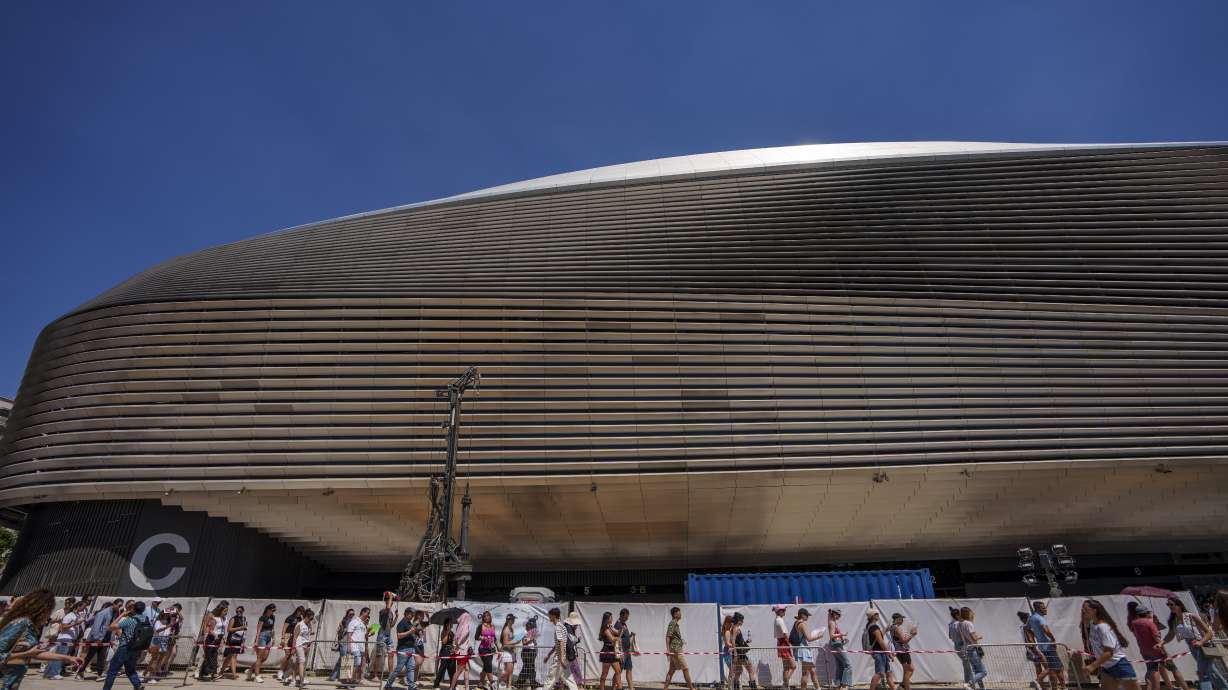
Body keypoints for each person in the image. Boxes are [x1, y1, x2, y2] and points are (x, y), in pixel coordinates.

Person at [1, 590, 86, 690]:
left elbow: (35, 653)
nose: (49, 615)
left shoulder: (30, 627)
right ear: (41, 609)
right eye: (49, 610)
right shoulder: (21, 623)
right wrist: (26, 654)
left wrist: (68, 658)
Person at [1165, 596, 1227, 690]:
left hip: (1202, 645)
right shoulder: (1175, 620)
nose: (1169, 606)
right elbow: (1171, 634)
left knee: (1203, 672)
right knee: (1211, 671)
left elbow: (1209, 632)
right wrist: (1161, 643)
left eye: (1171, 604)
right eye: (1168, 604)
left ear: (1179, 605)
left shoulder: (1191, 616)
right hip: (1193, 647)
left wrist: (1201, 642)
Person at [1082, 599, 1139, 690]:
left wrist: (1093, 666)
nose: (1083, 611)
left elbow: (1109, 653)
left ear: (1094, 610)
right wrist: (1085, 622)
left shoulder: (1103, 627)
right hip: (1107, 667)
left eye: (1085, 609)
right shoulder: (1093, 625)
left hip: (1119, 665)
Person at [103, 601, 150, 690]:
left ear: (134, 609)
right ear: (143, 610)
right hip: (136, 648)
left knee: (112, 670)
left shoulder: (130, 620)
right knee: (130, 670)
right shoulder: (146, 619)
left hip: (125, 647)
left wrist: (123, 614)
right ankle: (138, 686)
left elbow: (111, 627)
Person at [1028, 601, 1067, 690]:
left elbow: (1026, 628)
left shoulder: (1032, 618)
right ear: (1037, 609)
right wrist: (1053, 639)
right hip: (1048, 646)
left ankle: (1062, 687)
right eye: (1043, 608)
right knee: (1055, 668)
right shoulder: (1040, 618)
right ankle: (1039, 680)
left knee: (1057, 667)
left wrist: (1032, 640)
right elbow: (1045, 629)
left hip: (1042, 646)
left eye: (1045, 607)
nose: (1046, 609)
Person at [80, 599, 123, 679]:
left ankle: (100, 674)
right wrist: (97, 638)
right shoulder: (104, 612)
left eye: (121, 606)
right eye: (119, 605)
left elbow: (112, 627)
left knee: (102, 657)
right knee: (89, 656)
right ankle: (80, 672)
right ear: (114, 604)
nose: (119, 607)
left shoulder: (115, 613)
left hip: (106, 638)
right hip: (98, 638)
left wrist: (111, 639)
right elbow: (96, 625)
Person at [44, 598, 86, 679]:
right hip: (65, 639)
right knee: (60, 656)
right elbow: (63, 627)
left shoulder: (76, 615)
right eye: (83, 607)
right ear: (78, 606)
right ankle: (53, 673)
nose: (84, 609)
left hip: (70, 639)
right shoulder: (69, 616)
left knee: (59, 656)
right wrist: (75, 624)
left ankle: (49, 672)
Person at [791, 609, 826, 690]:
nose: (808, 617)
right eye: (807, 615)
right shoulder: (802, 624)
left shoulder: (796, 623)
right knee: (805, 673)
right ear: (802, 615)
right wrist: (819, 635)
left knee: (813, 670)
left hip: (802, 649)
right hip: (804, 650)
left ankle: (818, 688)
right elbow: (809, 638)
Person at [663, 607, 696, 690]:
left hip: (675, 649)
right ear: (675, 614)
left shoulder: (675, 623)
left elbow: (672, 636)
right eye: (679, 612)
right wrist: (668, 650)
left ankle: (665, 688)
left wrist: (680, 640)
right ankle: (691, 688)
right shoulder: (673, 623)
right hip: (676, 650)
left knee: (671, 671)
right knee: (685, 669)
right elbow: (668, 636)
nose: (680, 614)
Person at [544, 609, 577, 690]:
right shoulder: (562, 626)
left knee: (551, 678)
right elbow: (558, 644)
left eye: (550, 615)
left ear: (554, 616)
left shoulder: (558, 627)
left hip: (559, 658)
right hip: (564, 656)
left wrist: (561, 658)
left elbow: (561, 642)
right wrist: (549, 654)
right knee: (568, 678)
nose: (549, 617)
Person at [863, 609, 896, 690]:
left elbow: (879, 637)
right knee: (878, 673)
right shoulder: (874, 627)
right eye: (877, 614)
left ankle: (894, 688)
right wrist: (889, 653)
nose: (878, 615)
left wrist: (886, 629)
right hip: (879, 653)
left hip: (880, 652)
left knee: (888, 673)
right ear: (873, 616)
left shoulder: (870, 626)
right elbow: (881, 641)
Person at [386, 608, 418, 690]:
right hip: (403, 649)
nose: (412, 616)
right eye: (411, 614)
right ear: (406, 613)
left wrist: (414, 635)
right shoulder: (401, 623)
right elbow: (399, 636)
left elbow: (410, 634)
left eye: (413, 614)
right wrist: (410, 632)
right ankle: (388, 685)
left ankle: (411, 686)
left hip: (411, 649)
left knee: (411, 668)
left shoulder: (409, 623)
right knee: (398, 669)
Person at [283, 608, 314, 689]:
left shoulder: (308, 624)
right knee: (302, 662)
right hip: (299, 645)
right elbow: (295, 637)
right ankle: (301, 681)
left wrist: (308, 645)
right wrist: (293, 648)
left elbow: (308, 635)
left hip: (306, 645)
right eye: (311, 618)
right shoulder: (299, 624)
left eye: (312, 618)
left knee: (298, 664)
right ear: (306, 617)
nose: (311, 620)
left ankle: (292, 679)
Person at [958, 607, 987, 690]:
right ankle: (969, 684)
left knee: (977, 671)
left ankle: (982, 688)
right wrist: (979, 637)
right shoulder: (969, 623)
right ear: (968, 613)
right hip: (973, 649)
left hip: (967, 649)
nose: (972, 614)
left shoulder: (961, 623)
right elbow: (973, 637)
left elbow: (963, 636)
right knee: (983, 672)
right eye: (970, 612)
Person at [199, 602, 229, 681]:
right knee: (209, 656)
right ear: (220, 611)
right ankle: (212, 673)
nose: (226, 613)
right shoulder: (214, 618)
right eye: (224, 611)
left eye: (227, 611)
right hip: (212, 638)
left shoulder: (224, 619)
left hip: (219, 638)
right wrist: (215, 635)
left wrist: (223, 638)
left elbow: (223, 630)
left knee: (214, 655)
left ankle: (206, 673)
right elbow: (210, 630)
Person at [143, 610, 173, 685]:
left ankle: (147, 674)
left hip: (164, 642)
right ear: (162, 614)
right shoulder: (158, 621)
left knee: (159, 661)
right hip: (157, 642)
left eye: (168, 614)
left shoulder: (167, 622)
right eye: (166, 614)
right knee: (155, 660)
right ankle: (150, 676)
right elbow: (157, 630)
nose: (168, 615)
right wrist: (167, 627)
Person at [249, 604, 278, 683]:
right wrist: (256, 640)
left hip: (269, 637)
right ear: (268, 609)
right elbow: (258, 629)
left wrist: (274, 638)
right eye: (272, 610)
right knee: (260, 657)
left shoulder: (273, 617)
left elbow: (273, 628)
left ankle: (251, 669)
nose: (273, 612)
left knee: (265, 657)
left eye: (274, 610)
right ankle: (256, 675)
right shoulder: (262, 617)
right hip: (262, 636)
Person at [276, 606, 306, 682]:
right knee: (287, 654)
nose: (301, 614)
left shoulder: (301, 619)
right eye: (300, 612)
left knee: (292, 656)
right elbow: (284, 628)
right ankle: (280, 671)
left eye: (302, 613)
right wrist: (282, 638)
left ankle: (288, 673)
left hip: (295, 637)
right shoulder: (290, 618)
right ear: (297, 611)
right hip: (288, 636)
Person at [1019, 611, 1047, 690]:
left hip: (1029, 650)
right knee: (1049, 667)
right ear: (1025, 619)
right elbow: (1031, 640)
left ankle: (1041, 687)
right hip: (1034, 650)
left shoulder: (1022, 627)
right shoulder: (1026, 627)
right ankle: (1037, 681)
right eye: (1029, 618)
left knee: (1038, 668)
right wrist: (1037, 650)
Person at [889, 613, 917, 690]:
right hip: (902, 651)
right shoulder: (896, 628)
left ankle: (902, 685)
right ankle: (906, 687)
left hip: (901, 650)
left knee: (910, 669)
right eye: (901, 619)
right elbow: (904, 641)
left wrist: (908, 635)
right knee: (907, 671)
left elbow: (900, 639)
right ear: (897, 619)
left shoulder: (893, 627)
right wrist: (912, 634)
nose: (902, 621)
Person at [728, 613, 756, 690]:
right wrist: (736, 653)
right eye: (742, 620)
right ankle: (753, 687)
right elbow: (733, 641)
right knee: (750, 669)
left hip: (738, 652)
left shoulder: (734, 628)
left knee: (739, 670)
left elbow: (737, 641)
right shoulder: (736, 628)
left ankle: (736, 687)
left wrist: (746, 642)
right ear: (738, 620)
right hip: (740, 653)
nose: (743, 622)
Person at [826, 609, 851, 690]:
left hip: (836, 644)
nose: (839, 617)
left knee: (840, 665)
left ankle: (838, 685)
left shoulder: (833, 621)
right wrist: (842, 634)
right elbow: (831, 635)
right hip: (836, 645)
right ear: (834, 614)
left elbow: (834, 637)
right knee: (847, 665)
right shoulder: (832, 622)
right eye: (838, 615)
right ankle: (844, 685)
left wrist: (842, 640)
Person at [598, 611, 623, 690]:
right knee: (605, 674)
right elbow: (612, 639)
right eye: (611, 617)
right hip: (607, 651)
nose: (612, 619)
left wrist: (622, 627)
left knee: (618, 671)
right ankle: (601, 688)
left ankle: (619, 688)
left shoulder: (611, 626)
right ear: (607, 619)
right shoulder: (605, 628)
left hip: (613, 651)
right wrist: (618, 638)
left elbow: (618, 633)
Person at [330, 609, 356, 683]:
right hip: (343, 642)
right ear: (347, 614)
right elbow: (339, 632)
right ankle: (340, 677)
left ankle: (334, 676)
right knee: (344, 660)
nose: (352, 615)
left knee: (341, 660)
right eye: (350, 614)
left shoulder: (353, 622)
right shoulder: (343, 622)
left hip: (349, 643)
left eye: (353, 614)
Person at [773, 606, 796, 690]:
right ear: (779, 611)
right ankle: (785, 684)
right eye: (783, 610)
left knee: (786, 667)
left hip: (781, 643)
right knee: (793, 666)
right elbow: (785, 634)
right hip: (784, 644)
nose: (785, 611)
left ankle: (786, 686)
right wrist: (791, 643)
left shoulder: (777, 620)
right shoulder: (779, 620)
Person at [949, 607, 972, 688]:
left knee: (966, 665)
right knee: (967, 665)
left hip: (956, 645)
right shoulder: (958, 623)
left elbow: (950, 637)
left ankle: (969, 683)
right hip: (962, 644)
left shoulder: (950, 624)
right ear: (957, 615)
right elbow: (963, 635)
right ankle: (968, 684)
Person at [224, 605, 248, 679]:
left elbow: (244, 629)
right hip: (232, 639)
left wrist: (244, 629)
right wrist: (240, 628)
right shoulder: (233, 618)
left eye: (240, 611)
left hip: (239, 640)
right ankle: (234, 674)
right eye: (237, 611)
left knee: (229, 657)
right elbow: (229, 629)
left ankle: (221, 671)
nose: (238, 612)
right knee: (233, 656)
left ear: (243, 611)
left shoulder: (244, 618)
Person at [517, 616, 541, 689]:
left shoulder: (532, 632)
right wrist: (532, 638)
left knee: (529, 667)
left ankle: (524, 682)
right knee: (528, 668)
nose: (533, 626)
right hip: (527, 652)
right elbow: (524, 642)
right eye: (531, 624)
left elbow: (532, 641)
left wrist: (534, 639)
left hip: (531, 651)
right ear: (528, 624)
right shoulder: (525, 632)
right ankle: (523, 682)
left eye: (534, 625)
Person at [476, 611, 498, 690]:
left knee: (486, 666)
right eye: (484, 616)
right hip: (483, 649)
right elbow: (476, 637)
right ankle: (492, 684)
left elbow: (494, 639)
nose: (486, 617)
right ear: (483, 618)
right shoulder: (480, 626)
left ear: (490, 617)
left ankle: (480, 683)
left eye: (487, 616)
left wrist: (499, 649)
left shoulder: (492, 626)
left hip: (491, 650)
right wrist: (483, 638)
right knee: (488, 665)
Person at [616, 610, 635, 690]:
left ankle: (631, 688)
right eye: (626, 617)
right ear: (621, 615)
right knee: (618, 671)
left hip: (627, 651)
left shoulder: (624, 624)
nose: (627, 618)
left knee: (629, 669)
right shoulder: (617, 625)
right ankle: (614, 687)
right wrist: (620, 652)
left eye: (627, 617)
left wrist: (630, 635)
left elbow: (624, 637)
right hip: (622, 652)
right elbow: (617, 639)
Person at [435, 618, 456, 690]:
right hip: (445, 652)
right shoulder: (444, 631)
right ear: (446, 624)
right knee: (442, 669)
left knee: (452, 670)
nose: (450, 625)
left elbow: (453, 642)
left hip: (452, 652)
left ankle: (453, 686)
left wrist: (454, 648)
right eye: (449, 623)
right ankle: (436, 685)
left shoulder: (452, 633)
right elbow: (444, 642)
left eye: (451, 623)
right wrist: (447, 632)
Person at [500, 614, 519, 690]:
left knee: (511, 671)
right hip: (507, 652)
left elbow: (511, 640)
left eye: (514, 619)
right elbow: (505, 643)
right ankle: (498, 681)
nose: (514, 620)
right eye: (513, 619)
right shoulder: (506, 630)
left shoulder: (511, 629)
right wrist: (515, 642)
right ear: (509, 620)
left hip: (511, 651)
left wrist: (516, 641)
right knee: (508, 671)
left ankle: (509, 686)